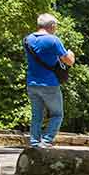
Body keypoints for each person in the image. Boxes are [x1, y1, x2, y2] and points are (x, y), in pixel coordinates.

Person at [24, 14, 76, 148]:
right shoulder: (53, 40)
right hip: (49, 84)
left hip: (32, 83)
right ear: (52, 25)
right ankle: (46, 141)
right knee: (57, 114)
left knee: (37, 115)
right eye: (56, 25)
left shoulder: (27, 40)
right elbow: (68, 61)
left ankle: (35, 143)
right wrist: (71, 55)